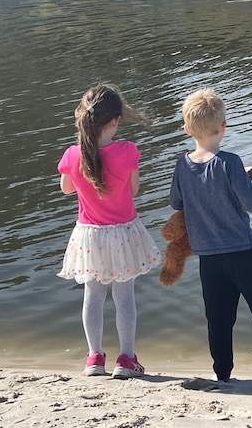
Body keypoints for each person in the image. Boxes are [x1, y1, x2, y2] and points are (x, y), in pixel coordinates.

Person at [169, 89, 252, 387]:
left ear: (186, 130)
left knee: (219, 319)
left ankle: (222, 373)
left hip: (209, 258)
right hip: (243, 253)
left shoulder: (182, 165)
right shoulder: (231, 162)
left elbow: (176, 202)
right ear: (223, 126)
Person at [57, 83, 162, 379]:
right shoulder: (127, 150)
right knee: (124, 295)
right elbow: (134, 188)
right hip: (123, 233)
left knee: (93, 294)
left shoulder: (73, 154)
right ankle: (126, 359)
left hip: (89, 235)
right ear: (115, 121)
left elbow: (66, 189)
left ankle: (94, 358)